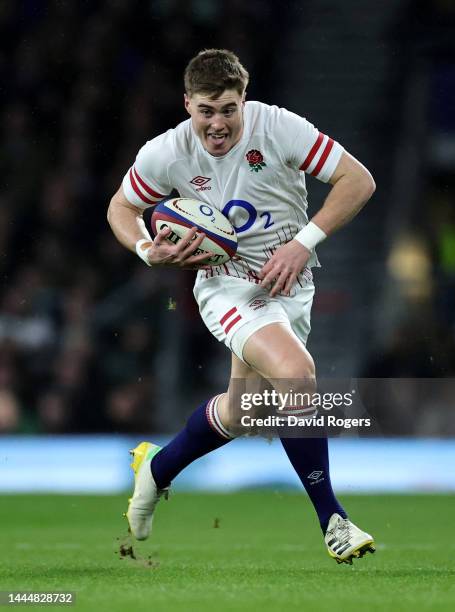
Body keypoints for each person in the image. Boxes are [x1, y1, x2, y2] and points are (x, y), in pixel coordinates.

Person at [107, 49, 376, 564]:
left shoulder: (279, 129)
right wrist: (146, 249)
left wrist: (304, 243)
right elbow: (122, 206)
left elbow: (358, 181)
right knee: (297, 375)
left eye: (228, 109)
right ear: (187, 104)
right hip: (226, 287)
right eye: (206, 110)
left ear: (243, 101)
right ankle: (333, 520)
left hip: (289, 283)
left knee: (241, 412)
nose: (217, 123)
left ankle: (156, 470)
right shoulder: (166, 153)